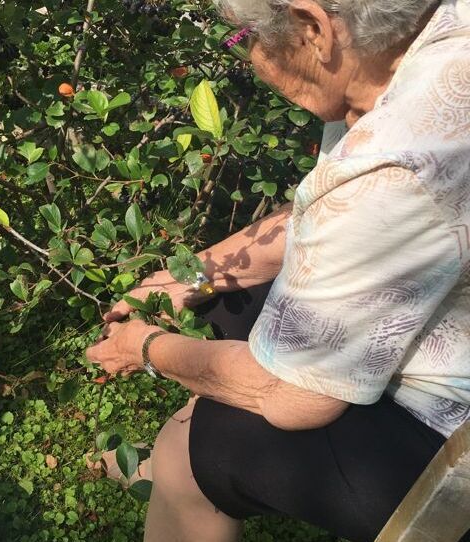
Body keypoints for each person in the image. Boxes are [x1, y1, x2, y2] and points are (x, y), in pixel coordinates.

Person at [84, 1, 470, 541]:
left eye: (242, 37)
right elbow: (333, 220)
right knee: (223, 304)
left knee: (198, 442)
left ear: (313, 28)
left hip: (450, 446)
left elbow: (295, 398)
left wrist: (142, 347)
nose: (244, 56)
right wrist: (192, 276)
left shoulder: (391, 158)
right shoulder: (437, 42)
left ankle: (175, 480)